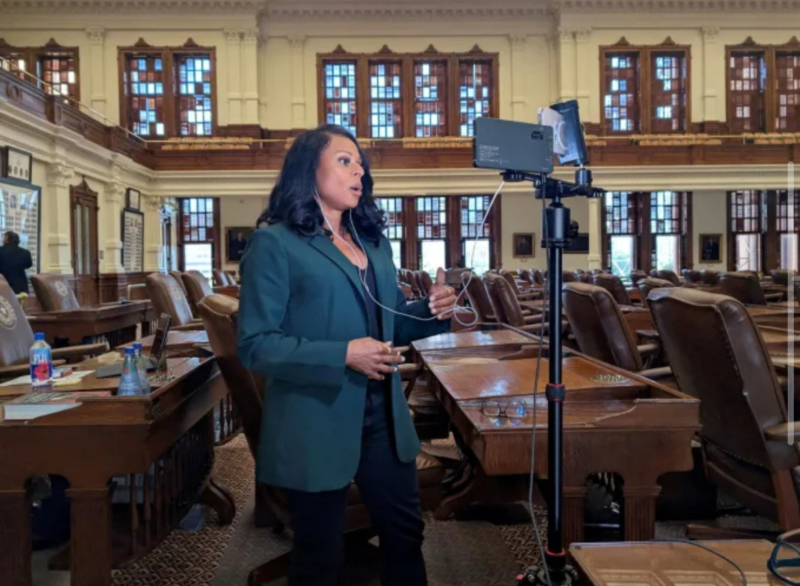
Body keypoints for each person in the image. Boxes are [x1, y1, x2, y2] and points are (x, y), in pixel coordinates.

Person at [237, 124, 457, 586]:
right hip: (316, 417)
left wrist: (433, 311)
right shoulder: (275, 244)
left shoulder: (373, 244)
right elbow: (256, 345)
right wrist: (342, 355)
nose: (358, 171)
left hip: (384, 416)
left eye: (360, 164)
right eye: (344, 161)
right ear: (307, 169)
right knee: (319, 553)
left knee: (405, 535)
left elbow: (390, 322)